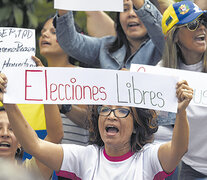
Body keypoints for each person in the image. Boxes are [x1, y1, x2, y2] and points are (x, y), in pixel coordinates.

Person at [0, 69, 194, 179]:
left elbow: (179, 148)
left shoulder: (148, 157)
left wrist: (181, 111)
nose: (111, 115)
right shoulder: (85, 156)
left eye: (121, 110)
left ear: (136, 125)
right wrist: (7, 101)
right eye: (105, 109)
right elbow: (34, 145)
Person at [161, 1, 207, 179]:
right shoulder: (161, 75)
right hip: (192, 170)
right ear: (175, 36)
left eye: (204, 21)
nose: (202, 28)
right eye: (193, 24)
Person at [54, 0, 165, 70]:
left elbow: (162, 32)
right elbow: (70, 43)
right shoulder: (105, 46)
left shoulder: (164, 47)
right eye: (125, 9)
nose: (131, 14)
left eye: (137, 9)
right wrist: (64, 7)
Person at [36, 17, 89, 146]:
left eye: (53, 32)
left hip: (72, 161)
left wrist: (62, 105)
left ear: (71, 39)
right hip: (39, 161)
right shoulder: (34, 77)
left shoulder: (82, 75)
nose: (44, 34)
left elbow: (89, 121)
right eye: (43, 31)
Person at [0, 104, 63, 180]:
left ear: (20, 142)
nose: (5, 133)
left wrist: (47, 94)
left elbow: (55, 136)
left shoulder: (30, 172)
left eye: (11, 129)